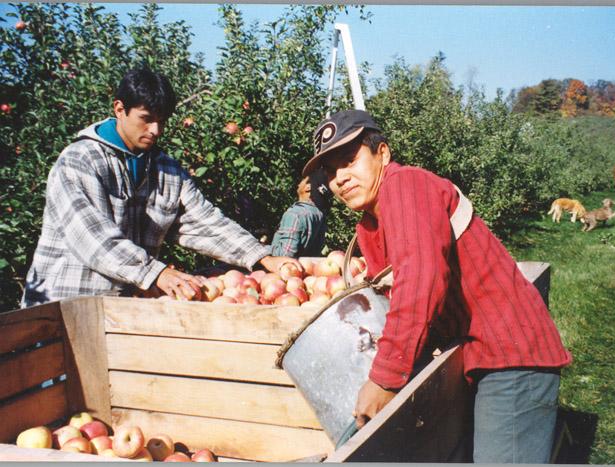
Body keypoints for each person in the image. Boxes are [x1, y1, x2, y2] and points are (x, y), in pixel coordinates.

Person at [302, 109, 572, 463]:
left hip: (510, 355)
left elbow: (420, 282)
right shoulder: (370, 224)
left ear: (382, 153)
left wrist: (385, 379)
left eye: (349, 161)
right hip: (476, 354)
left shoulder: (405, 186)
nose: (340, 178)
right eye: (332, 171)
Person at [21, 68, 298, 307]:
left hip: (122, 310)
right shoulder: (80, 161)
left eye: (162, 121)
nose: (155, 130)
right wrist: (156, 273)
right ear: (119, 109)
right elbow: (92, 236)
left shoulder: (165, 170)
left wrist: (260, 257)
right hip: (64, 305)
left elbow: (204, 222)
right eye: (146, 118)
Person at [270, 170, 332, 258]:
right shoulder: (320, 215)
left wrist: (262, 249)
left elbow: (285, 255)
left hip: (286, 269)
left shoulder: (294, 214)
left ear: (308, 187)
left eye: (302, 180)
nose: (298, 184)